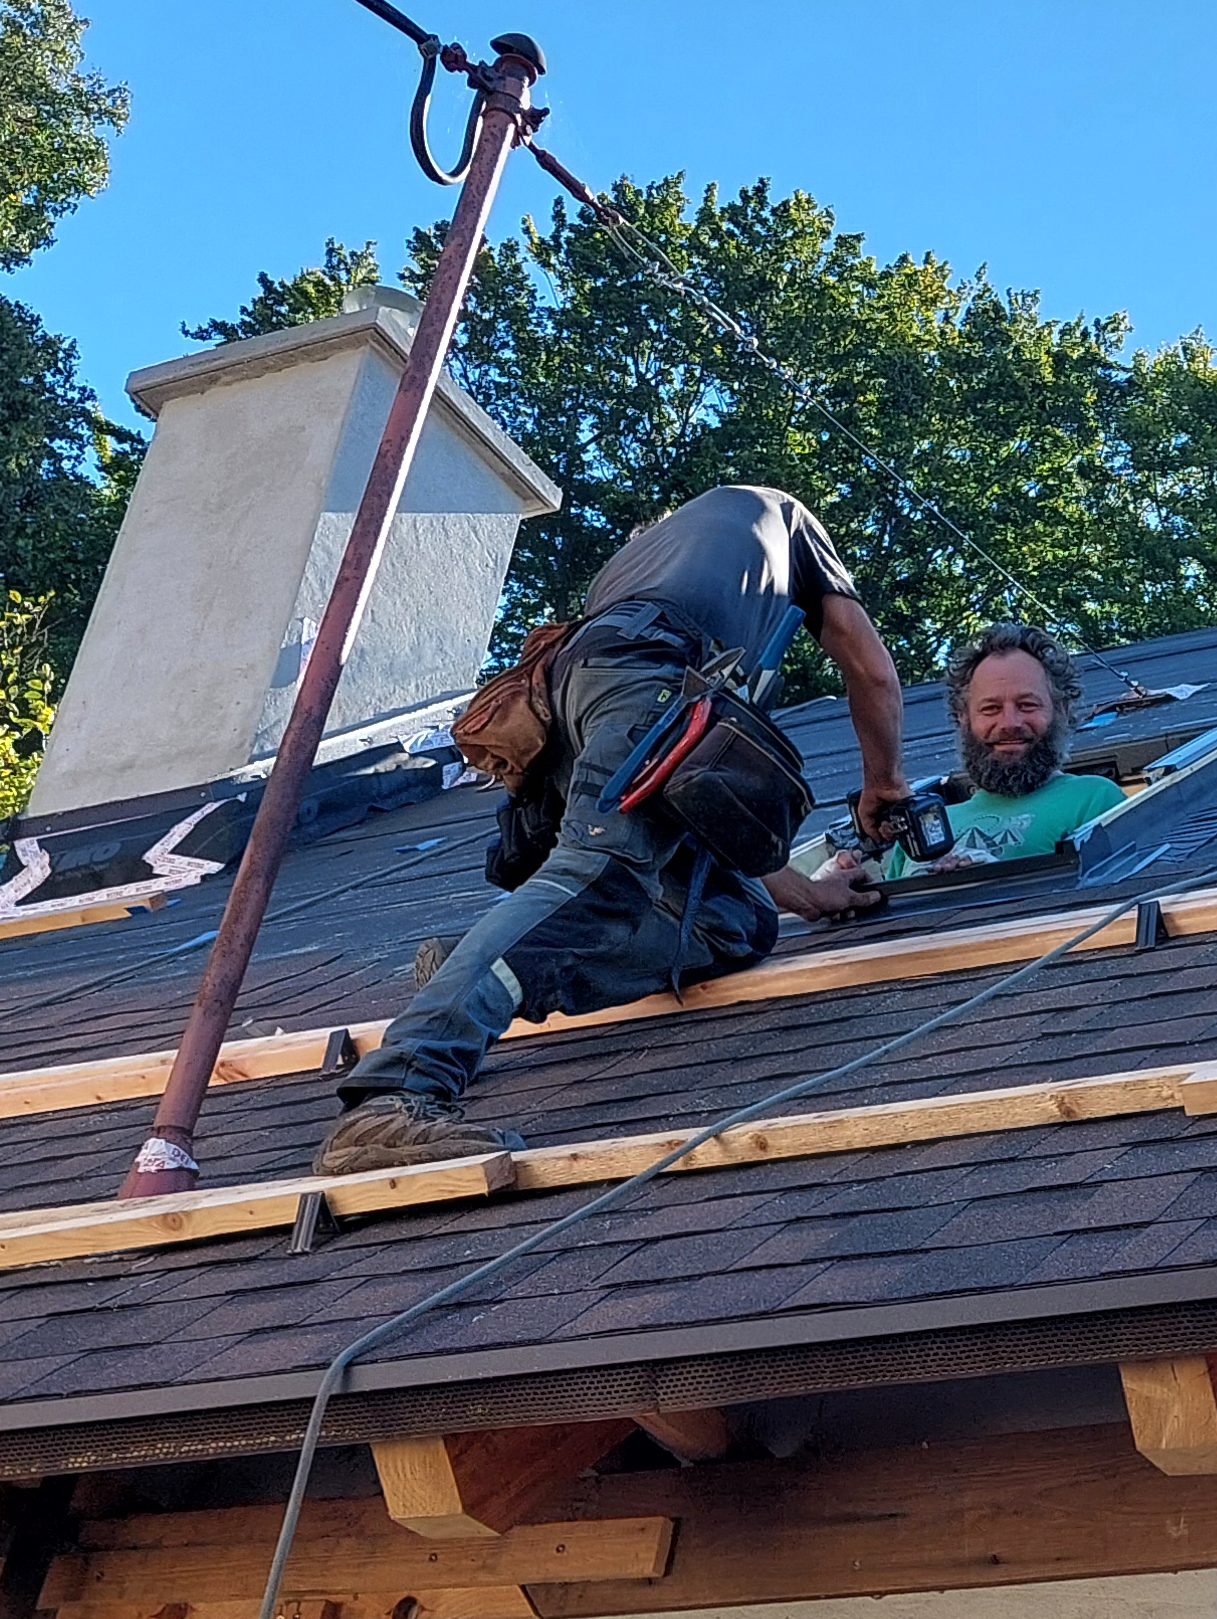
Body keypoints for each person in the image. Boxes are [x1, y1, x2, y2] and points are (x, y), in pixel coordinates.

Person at [320, 483, 908, 1172]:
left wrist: (811, 896)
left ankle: (469, 969)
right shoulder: (784, 517)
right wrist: (884, 784)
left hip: (581, 701)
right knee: (597, 877)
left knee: (737, 922)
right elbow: (870, 671)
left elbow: (698, 802)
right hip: (650, 685)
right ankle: (397, 1090)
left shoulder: (634, 568)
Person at [868, 623, 1126, 880]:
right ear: (963, 718)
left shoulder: (1093, 799)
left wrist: (996, 878)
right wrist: (860, 890)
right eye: (990, 709)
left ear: (1062, 710)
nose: (1009, 723)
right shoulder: (924, 824)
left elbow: (1111, 897)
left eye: (1027, 705)